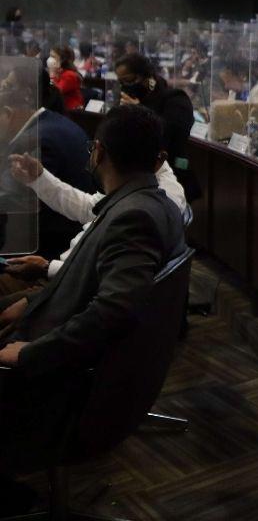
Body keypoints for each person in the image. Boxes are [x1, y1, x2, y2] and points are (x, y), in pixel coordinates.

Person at [0, 106, 185, 506]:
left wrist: (32, 353)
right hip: (76, 364)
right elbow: (95, 273)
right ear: (158, 160)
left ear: (97, 153)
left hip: (57, 387)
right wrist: (34, 299)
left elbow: (111, 312)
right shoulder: (150, 202)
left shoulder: (134, 216)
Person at [0, 149, 186, 304]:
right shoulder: (138, 182)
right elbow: (87, 207)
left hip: (66, 288)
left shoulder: (146, 210)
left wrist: (47, 267)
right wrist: (39, 178)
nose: (96, 159)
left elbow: (105, 284)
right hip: (64, 276)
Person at [0, 82, 94, 261]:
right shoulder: (50, 121)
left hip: (55, 246)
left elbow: (15, 201)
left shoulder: (36, 140)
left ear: (7, 113)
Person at [116, 52, 200, 201]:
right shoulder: (129, 100)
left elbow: (171, 133)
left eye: (128, 80)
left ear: (146, 77)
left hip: (173, 177)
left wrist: (139, 111)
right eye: (120, 82)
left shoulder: (175, 99)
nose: (124, 87)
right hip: (136, 178)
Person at [52, 46, 83, 111]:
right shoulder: (60, 72)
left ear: (62, 59)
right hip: (61, 109)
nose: (50, 59)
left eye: (53, 57)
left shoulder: (69, 75)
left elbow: (57, 91)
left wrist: (53, 73)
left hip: (71, 111)